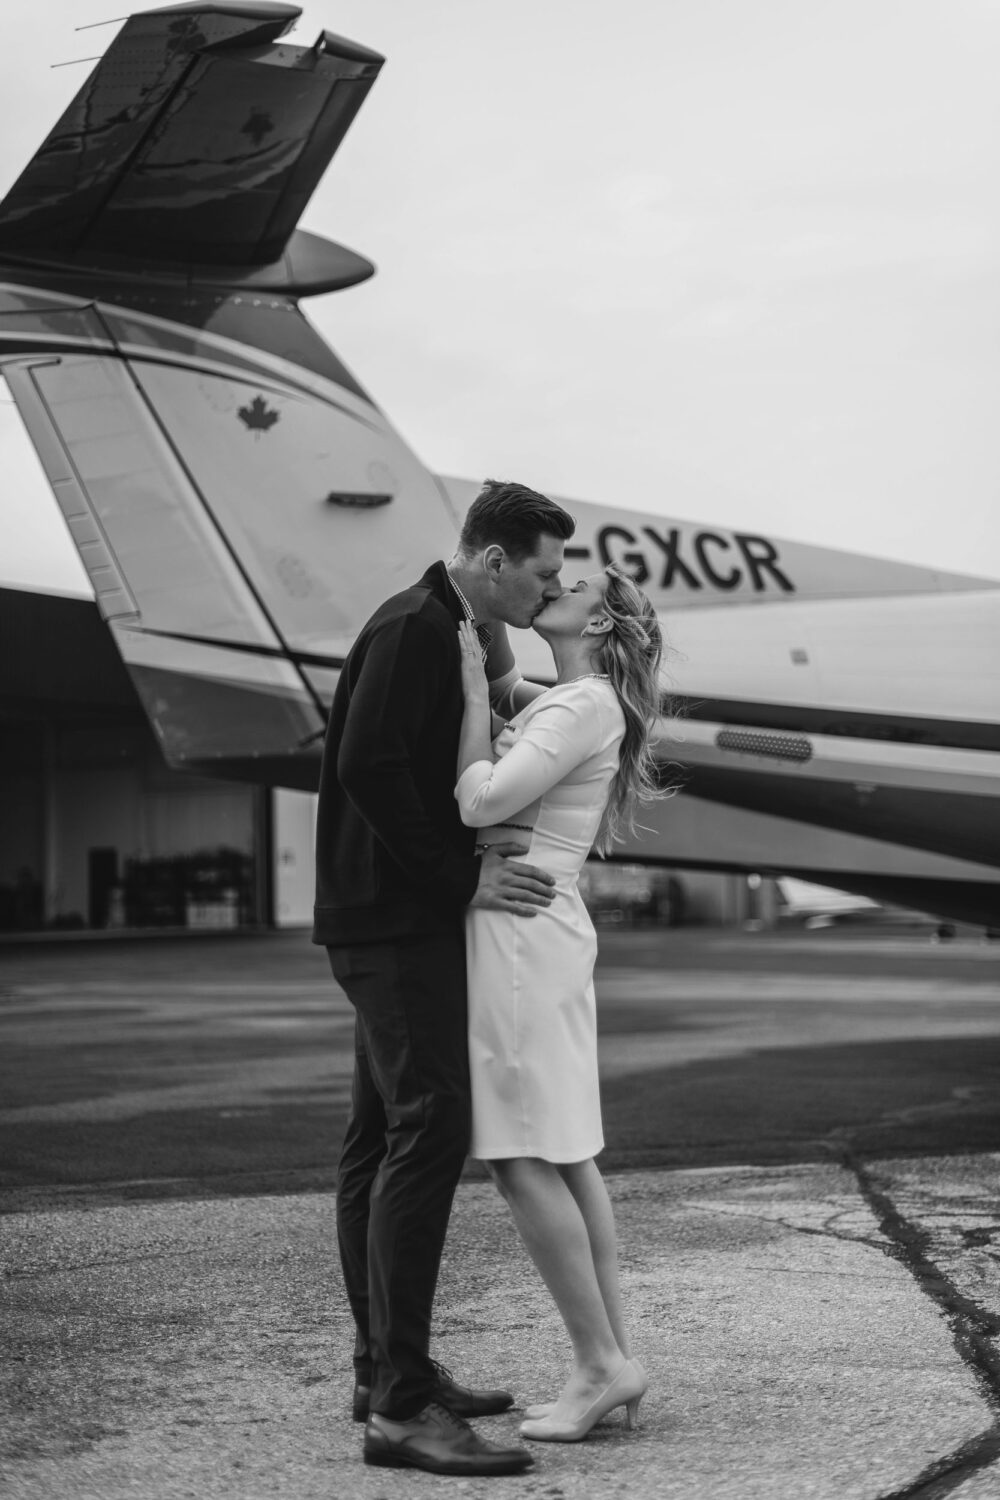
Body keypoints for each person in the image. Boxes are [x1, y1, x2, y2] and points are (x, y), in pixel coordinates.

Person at [313, 479, 576, 1476]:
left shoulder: (452, 628)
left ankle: (386, 1370)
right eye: (541, 572)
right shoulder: (416, 629)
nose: (548, 590)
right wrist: (459, 877)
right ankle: (401, 1411)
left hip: (385, 915)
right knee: (432, 1127)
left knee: (381, 1139)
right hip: (393, 919)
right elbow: (369, 768)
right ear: (495, 557)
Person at [455, 562, 666, 1443]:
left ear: (602, 619)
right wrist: (487, 645)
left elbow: (483, 800)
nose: (556, 579)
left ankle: (598, 1363)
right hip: (548, 927)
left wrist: (470, 697)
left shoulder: (582, 705)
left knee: (518, 1153)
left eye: (574, 579)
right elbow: (513, 683)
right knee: (570, 1152)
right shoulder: (576, 697)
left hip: (519, 941)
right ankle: (611, 1358)